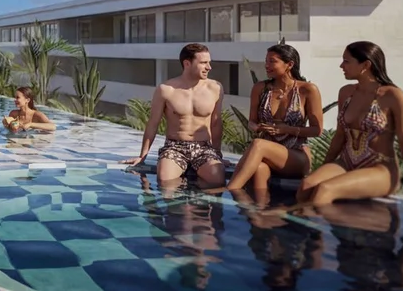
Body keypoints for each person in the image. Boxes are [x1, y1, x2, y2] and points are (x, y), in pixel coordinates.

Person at [291, 41, 403, 210]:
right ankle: (301, 232)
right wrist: (324, 167)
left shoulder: (393, 96)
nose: (341, 65)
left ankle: (319, 235)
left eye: (347, 61)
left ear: (366, 65)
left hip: (380, 168)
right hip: (346, 162)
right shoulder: (346, 92)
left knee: (325, 189)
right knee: (306, 185)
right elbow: (340, 136)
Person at [216, 43, 323, 203]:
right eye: (266, 61)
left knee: (259, 144)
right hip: (266, 155)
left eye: (272, 61)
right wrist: (257, 127)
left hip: (296, 155)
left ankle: (229, 190)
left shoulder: (307, 90)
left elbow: (317, 130)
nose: (266, 65)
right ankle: (260, 215)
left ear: (289, 64)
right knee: (259, 169)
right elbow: (251, 121)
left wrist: (285, 129)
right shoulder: (261, 88)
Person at [123, 43, 226, 188]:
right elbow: (153, 123)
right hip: (174, 146)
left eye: (209, 62)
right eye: (203, 63)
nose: (209, 67)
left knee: (217, 181)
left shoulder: (215, 88)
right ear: (187, 63)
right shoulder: (166, 89)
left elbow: (215, 122)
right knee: (165, 181)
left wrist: (217, 154)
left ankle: (201, 207)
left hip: (204, 148)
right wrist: (142, 156)